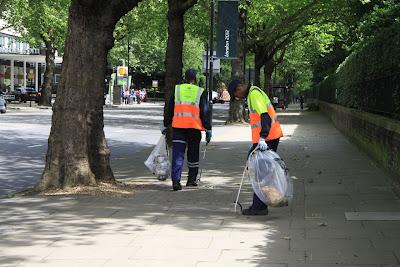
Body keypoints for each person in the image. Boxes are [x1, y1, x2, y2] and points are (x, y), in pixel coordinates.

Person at [228, 80, 283, 215]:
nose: (238, 97)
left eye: (236, 94)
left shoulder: (253, 94)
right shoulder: (254, 93)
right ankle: (261, 204)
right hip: (268, 137)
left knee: (259, 172)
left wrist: (263, 137)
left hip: (267, 138)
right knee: (261, 170)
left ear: (239, 87)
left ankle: (260, 207)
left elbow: (265, 116)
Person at [162, 69, 212, 191]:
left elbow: (170, 108)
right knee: (193, 154)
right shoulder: (200, 91)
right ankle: (191, 180)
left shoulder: (177, 89)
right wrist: (208, 128)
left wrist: (166, 124)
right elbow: (204, 111)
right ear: (195, 79)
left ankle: (176, 181)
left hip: (178, 127)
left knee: (178, 154)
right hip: (194, 128)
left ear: (185, 78)